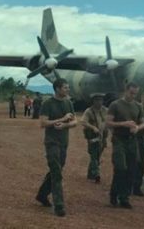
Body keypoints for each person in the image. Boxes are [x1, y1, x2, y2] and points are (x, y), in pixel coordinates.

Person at [35, 78, 77, 217]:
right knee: (57, 172)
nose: (68, 89)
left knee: (56, 170)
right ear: (58, 88)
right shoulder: (47, 103)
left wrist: (66, 125)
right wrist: (61, 119)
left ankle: (42, 195)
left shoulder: (68, 102)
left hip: (64, 142)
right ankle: (59, 205)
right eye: (65, 87)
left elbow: (75, 121)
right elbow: (43, 123)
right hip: (52, 142)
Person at [106, 82, 144, 209]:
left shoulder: (138, 106)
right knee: (120, 168)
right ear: (126, 91)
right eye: (131, 93)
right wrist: (123, 124)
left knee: (132, 169)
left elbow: (142, 123)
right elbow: (108, 123)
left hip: (132, 140)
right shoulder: (115, 105)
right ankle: (114, 194)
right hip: (119, 139)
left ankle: (124, 198)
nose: (133, 96)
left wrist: (137, 128)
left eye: (135, 94)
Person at [80, 93, 108, 184]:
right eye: (97, 100)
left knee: (97, 155)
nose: (99, 102)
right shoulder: (89, 111)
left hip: (103, 137)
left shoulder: (105, 110)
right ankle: (96, 174)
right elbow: (83, 122)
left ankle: (90, 173)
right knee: (94, 155)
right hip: (92, 136)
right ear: (93, 101)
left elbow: (109, 120)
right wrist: (93, 127)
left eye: (101, 100)